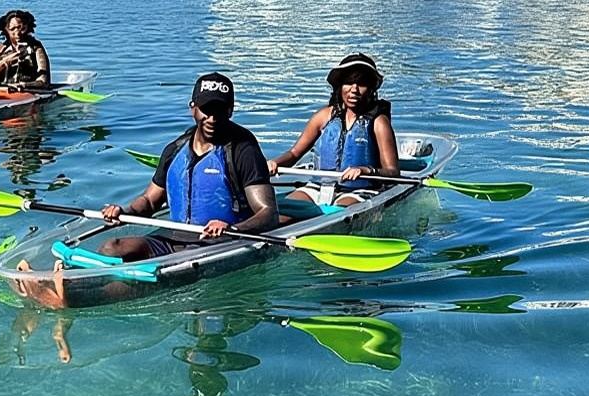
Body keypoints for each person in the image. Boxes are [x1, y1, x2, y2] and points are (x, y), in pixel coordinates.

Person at [99, 72, 278, 261]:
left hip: (221, 242)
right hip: (174, 238)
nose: (212, 118)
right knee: (111, 248)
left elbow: (269, 214)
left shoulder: (243, 151)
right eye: (206, 110)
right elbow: (150, 201)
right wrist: (124, 211)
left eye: (219, 110)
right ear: (193, 108)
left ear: (230, 111)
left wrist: (232, 228)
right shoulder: (174, 150)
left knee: (174, 261)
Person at [267, 53, 400, 208]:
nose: (354, 90)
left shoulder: (379, 122)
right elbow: (294, 153)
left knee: (338, 210)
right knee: (279, 213)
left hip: (358, 192)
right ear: (340, 86)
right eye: (348, 83)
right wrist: (274, 163)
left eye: (361, 84)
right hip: (317, 187)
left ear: (371, 89)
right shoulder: (323, 116)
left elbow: (393, 172)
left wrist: (366, 170)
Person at [0, 10, 51, 89]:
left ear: (27, 27)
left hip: (29, 91)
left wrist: (23, 85)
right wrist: (5, 62)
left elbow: (44, 81)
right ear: (6, 30)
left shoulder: (36, 47)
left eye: (21, 28)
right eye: (12, 29)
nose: (17, 33)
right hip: (2, 92)